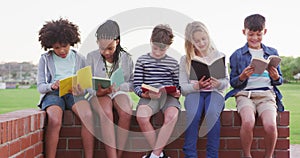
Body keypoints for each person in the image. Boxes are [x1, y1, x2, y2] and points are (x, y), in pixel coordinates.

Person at [225, 14, 284, 158]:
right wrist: (242, 76)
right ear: (244, 32)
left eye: (259, 34)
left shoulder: (272, 53)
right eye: (251, 34)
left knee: (270, 125)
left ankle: (268, 156)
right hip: (245, 95)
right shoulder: (237, 55)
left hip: (266, 95)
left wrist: (276, 77)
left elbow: (279, 80)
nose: (255, 38)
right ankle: (247, 155)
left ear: (265, 32)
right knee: (248, 121)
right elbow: (233, 82)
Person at [37, 18, 94, 158]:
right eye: (56, 47)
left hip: (74, 93)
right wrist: (52, 85)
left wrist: (82, 90)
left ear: (71, 41)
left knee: (88, 116)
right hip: (53, 94)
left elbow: (87, 84)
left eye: (65, 45)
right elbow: (40, 86)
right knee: (55, 120)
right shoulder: (45, 59)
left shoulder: (80, 58)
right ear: (50, 45)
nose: (62, 50)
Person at [179, 21, 229, 158]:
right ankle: (190, 154)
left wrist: (218, 83)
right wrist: (196, 86)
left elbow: (227, 83)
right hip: (195, 93)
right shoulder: (185, 60)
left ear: (208, 37)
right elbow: (182, 87)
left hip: (214, 93)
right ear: (190, 43)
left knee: (212, 112)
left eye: (203, 39)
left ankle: (212, 155)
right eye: (196, 41)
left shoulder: (219, 55)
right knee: (194, 113)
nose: (201, 43)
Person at [86, 19, 134, 158]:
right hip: (99, 94)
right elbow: (87, 83)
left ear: (117, 41)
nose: (106, 52)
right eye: (102, 48)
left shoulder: (126, 58)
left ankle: (118, 155)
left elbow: (132, 84)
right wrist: (97, 91)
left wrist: (119, 86)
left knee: (125, 112)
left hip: (119, 92)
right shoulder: (91, 57)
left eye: (110, 48)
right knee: (106, 113)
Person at [133, 24, 181, 158]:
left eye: (163, 49)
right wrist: (144, 94)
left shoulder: (173, 63)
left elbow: (179, 86)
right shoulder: (142, 60)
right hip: (149, 97)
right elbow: (136, 84)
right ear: (151, 41)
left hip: (169, 97)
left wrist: (177, 92)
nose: (158, 53)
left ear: (168, 47)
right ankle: (159, 155)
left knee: (171, 116)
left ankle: (154, 155)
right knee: (142, 116)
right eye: (155, 48)